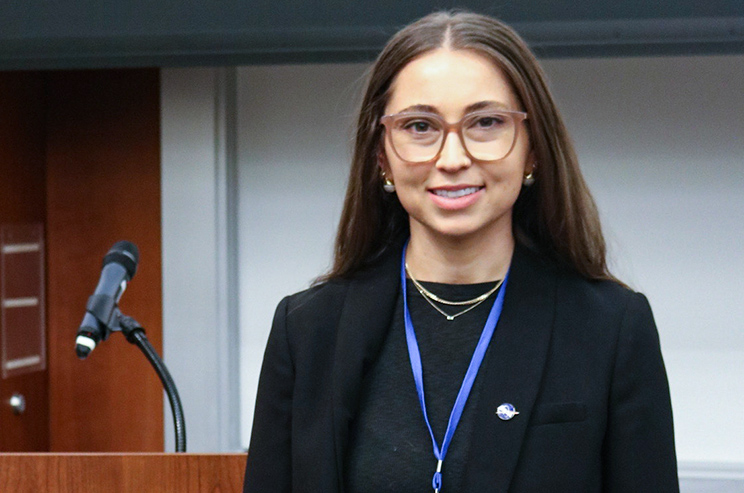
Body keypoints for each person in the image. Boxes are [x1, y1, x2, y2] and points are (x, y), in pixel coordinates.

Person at [243, 10, 678, 493]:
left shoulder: (611, 328)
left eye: (486, 122)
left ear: (533, 149)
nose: (452, 159)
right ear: (381, 156)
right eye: (419, 126)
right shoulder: (306, 330)